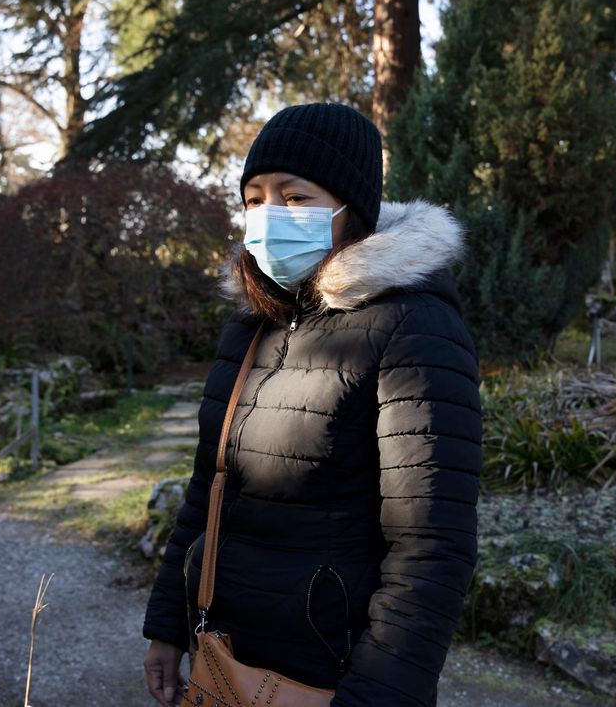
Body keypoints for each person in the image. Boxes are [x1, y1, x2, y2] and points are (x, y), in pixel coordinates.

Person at [142, 102, 482, 707]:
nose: (269, 215)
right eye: (254, 197)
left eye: (295, 198)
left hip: (331, 676)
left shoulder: (413, 326)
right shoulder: (249, 330)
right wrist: (167, 625)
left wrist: (376, 696)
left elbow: (431, 546)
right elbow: (207, 490)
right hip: (222, 659)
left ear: (351, 210)